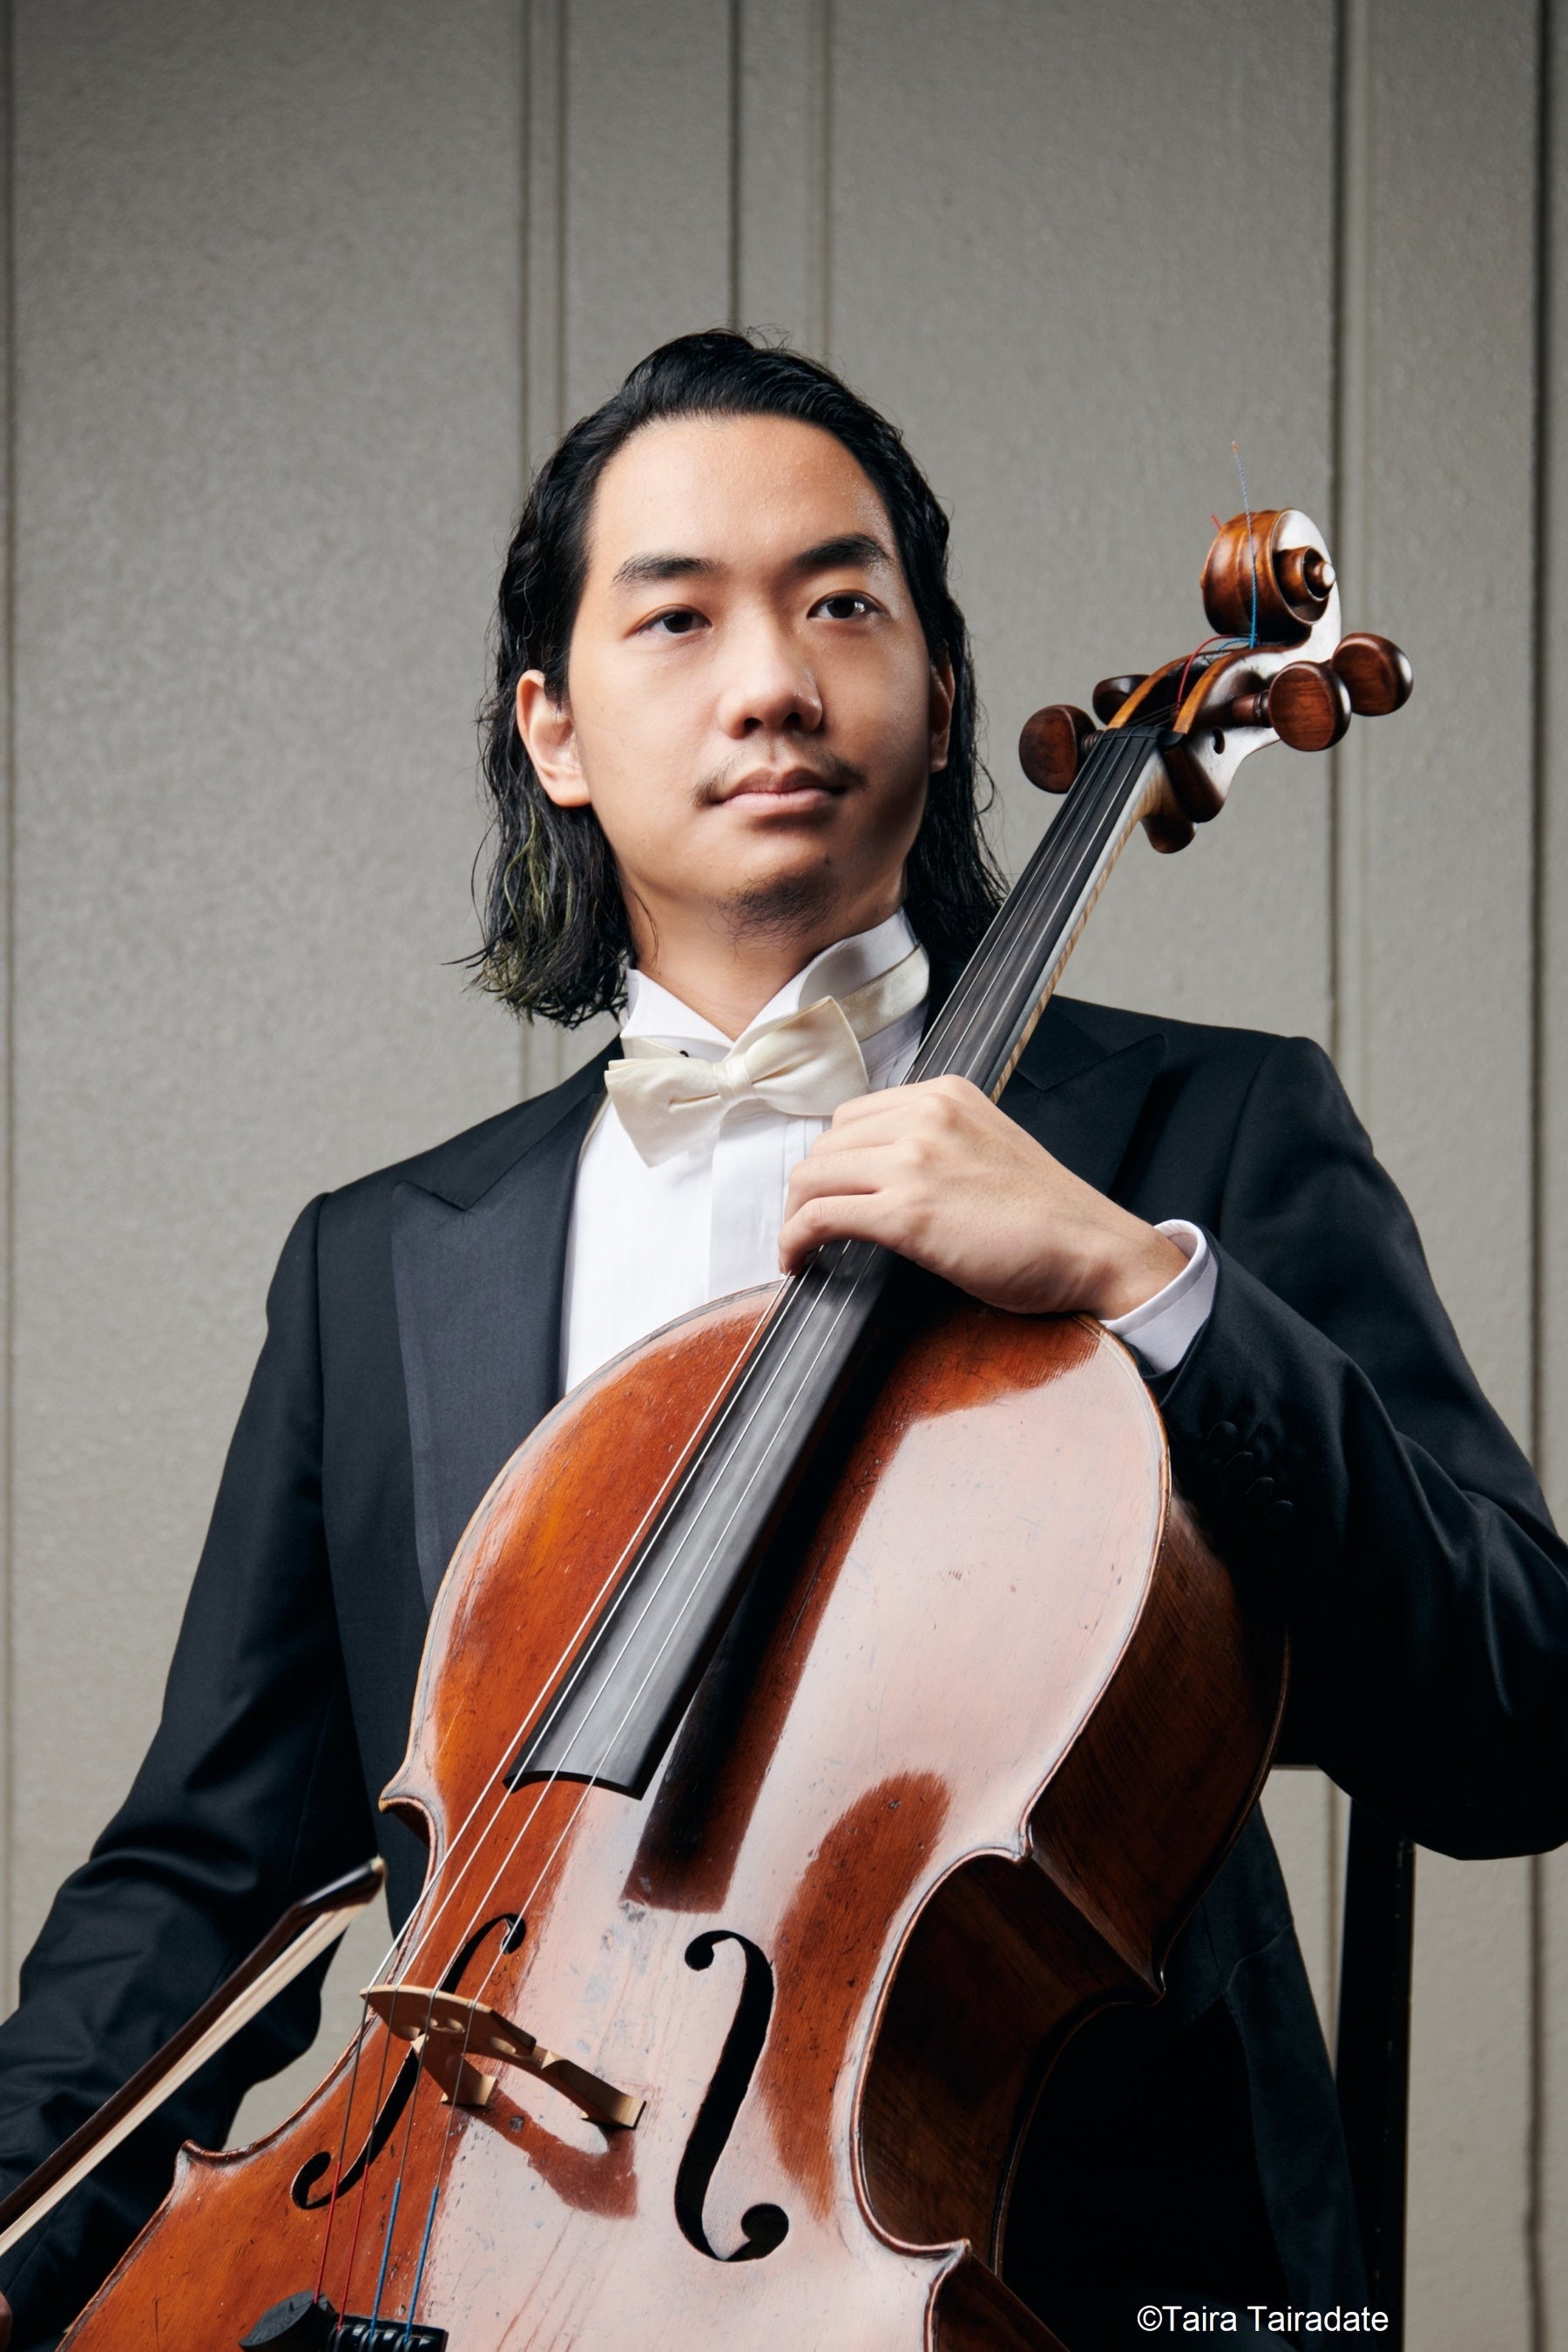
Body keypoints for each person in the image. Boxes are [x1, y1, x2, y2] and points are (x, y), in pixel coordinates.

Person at [0, 330, 1563, 2350]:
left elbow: (1517, 1716)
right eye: (678, 618)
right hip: (452, 2270)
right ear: (555, 730)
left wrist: (1136, 1283)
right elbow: (195, 1886)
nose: (772, 684)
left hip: (1038, 2286)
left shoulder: (1205, 1138)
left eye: (841, 605)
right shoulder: (378, 1268)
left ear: (938, 691)